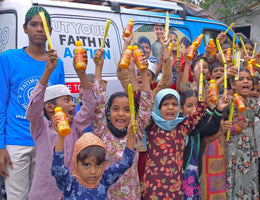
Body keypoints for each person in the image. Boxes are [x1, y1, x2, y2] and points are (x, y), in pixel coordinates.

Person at [0, 6, 65, 200]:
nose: (38, 29)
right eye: (33, 24)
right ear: (25, 28)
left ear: (50, 32)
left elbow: (59, 109)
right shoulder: (8, 59)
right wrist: (1, 146)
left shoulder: (57, 64)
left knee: (43, 196)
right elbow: (1, 104)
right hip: (16, 141)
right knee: (17, 197)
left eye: (43, 25)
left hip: (46, 142)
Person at [25, 49, 96, 199]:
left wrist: (81, 74)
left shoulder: (75, 127)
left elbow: (89, 107)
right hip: (44, 195)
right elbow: (34, 107)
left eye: (72, 99)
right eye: (66, 100)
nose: (72, 104)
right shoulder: (41, 127)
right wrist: (47, 71)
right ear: (50, 107)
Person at [93, 48, 152, 199]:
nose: (120, 114)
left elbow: (146, 107)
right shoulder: (101, 130)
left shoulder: (135, 131)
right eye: (115, 109)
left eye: (127, 110)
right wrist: (98, 67)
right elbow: (98, 100)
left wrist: (143, 72)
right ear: (108, 112)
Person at [141, 88, 209, 199]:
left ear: (179, 108)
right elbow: (143, 108)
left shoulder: (182, 126)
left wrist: (204, 96)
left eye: (174, 104)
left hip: (174, 185)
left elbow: (199, 111)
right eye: (165, 104)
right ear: (158, 107)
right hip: (152, 184)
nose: (170, 108)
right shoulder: (150, 125)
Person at [51, 125, 135, 199]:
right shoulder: (70, 185)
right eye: (86, 165)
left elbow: (125, 162)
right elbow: (58, 169)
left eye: (98, 164)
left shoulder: (104, 180)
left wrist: (130, 137)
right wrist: (61, 136)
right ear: (76, 163)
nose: (93, 171)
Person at [226, 68, 259, 199]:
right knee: (234, 181)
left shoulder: (252, 103)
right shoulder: (227, 101)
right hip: (232, 150)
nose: (245, 81)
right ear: (232, 85)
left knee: (250, 181)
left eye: (248, 79)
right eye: (241, 79)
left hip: (250, 151)